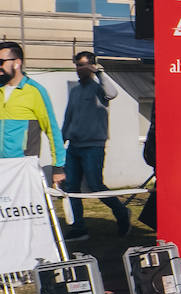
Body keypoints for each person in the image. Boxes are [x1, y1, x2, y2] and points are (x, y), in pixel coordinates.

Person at [57, 51, 130, 240]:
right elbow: (68, 118)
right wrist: (61, 141)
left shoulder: (99, 88)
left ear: (91, 66)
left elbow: (113, 93)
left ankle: (121, 213)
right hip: (74, 146)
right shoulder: (75, 91)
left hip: (93, 146)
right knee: (71, 187)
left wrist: (98, 73)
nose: (79, 69)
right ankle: (79, 228)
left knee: (95, 185)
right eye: (78, 65)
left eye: (83, 65)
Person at [1, 41, 65, 186]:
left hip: (23, 169)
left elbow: (52, 130)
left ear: (17, 63)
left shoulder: (36, 91)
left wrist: (58, 168)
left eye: (1, 62)